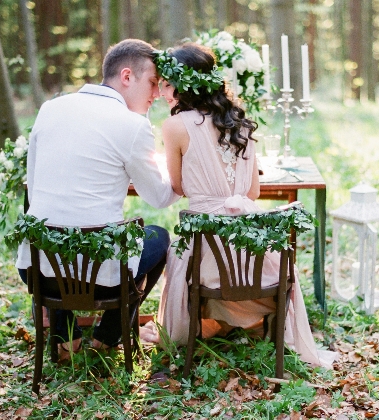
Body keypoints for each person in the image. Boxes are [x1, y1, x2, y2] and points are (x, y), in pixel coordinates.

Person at [141, 43, 337, 368]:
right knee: (237, 253)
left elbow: (177, 186)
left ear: (183, 83)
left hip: (208, 254)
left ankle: (203, 327)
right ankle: (241, 324)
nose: (162, 91)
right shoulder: (240, 124)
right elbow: (253, 191)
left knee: (180, 253)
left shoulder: (175, 126)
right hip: (253, 254)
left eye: (166, 83)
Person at [15, 39, 181, 358]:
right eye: (152, 82)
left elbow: (33, 190)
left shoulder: (51, 108)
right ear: (127, 76)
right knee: (159, 237)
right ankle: (106, 336)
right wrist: (182, 168)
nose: (157, 93)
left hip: (36, 270)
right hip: (98, 277)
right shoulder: (133, 125)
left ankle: (67, 339)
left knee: (59, 235)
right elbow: (160, 197)